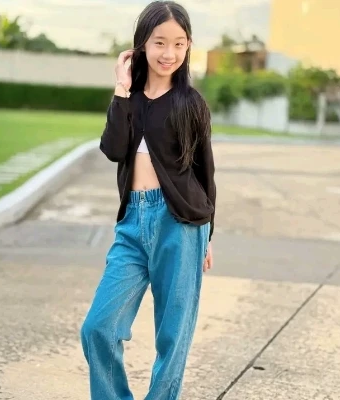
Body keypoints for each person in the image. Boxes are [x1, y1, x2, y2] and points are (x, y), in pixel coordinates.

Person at [80, 1, 216, 399]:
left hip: (181, 226)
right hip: (133, 225)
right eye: (159, 42)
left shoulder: (191, 103)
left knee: (173, 336)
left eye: (179, 43)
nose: (168, 53)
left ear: (188, 46)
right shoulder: (130, 99)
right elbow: (112, 149)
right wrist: (121, 89)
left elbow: (205, 174)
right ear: (142, 44)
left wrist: (208, 236)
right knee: (98, 327)